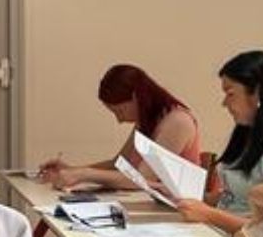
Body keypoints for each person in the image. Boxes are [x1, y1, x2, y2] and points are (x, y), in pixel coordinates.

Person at [176, 50, 263, 235]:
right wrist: (188, 197)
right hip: (221, 235)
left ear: (257, 93)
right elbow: (234, 198)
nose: (224, 103)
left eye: (230, 94)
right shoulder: (246, 133)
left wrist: (209, 215)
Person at [38, 63, 200, 191]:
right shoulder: (148, 119)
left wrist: (84, 174)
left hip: (179, 212)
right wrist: (72, 170)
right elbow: (119, 164)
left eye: (120, 111)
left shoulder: (178, 122)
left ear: (136, 97)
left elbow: (143, 179)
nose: (119, 120)